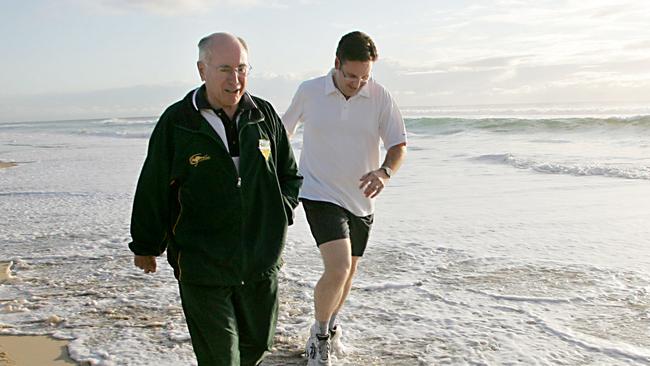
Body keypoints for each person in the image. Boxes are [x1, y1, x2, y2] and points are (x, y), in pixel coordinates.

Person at [128, 32, 302, 366]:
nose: (235, 79)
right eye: (224, 69)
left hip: (260, 263)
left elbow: (289, 176)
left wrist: (280, 214)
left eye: (242, 68)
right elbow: (154, 186)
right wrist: (146, 245)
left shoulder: (263, 116)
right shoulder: (179, 122)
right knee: (221, 358)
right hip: (202, 265)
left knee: (258, 347)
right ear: (201, 70)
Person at [282, 31, 407, 365]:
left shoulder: (379, 96)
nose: (357, 83)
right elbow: (283, 134)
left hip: (362, 198)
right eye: (351, 76)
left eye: (364, 76)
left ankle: (331, 326)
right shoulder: (309, 91)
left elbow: (398, 145)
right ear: (336, 64)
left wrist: (384, 173)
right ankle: (319, 338)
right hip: (318, 191)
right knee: (337, 267)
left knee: (349, 273)